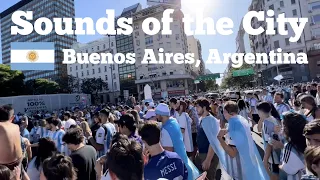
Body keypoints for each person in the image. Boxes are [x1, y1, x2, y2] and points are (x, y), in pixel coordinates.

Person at [218, 101, 269, 180]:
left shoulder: (233, 124)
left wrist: (220, 139)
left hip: (241, 167)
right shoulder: (240, 119)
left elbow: (232, 153)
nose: (223, 114)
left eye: (224, 112)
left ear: (227, 112)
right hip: (249, 161)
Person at [156, 103, 199, 180]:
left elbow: (169, 149)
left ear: (161, 115)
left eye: (157, 114)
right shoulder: (173, 121)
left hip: (176, 165)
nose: (156, 116)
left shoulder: (165, 130)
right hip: (183, 159)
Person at [194, 98, 223, 180]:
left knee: (209, 177)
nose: (196, 109)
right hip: (202, 153)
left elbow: (213, 142)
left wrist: (208, 160)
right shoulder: (203, 119)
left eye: (198, 107)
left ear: (204, 108)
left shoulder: (209, 120)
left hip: (208, 154)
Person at [257, 102, 282, 180]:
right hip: (277, 153)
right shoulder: (273, 119)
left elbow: (270, 142)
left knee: (274, 175)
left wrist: (265, 159)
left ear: (260, 112)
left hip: (273, 155)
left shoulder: (267, 123)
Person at [280, 112, 307, 179]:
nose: (282, 128)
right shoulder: (309, 140)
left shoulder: (289, 148)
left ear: (288, 129)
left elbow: (288, 170)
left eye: (283, 126)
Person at [0, 105, 23, 171]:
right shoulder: (16, 126)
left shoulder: (1, 126)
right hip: (18, 162)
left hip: (4, 167)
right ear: (12, 117)